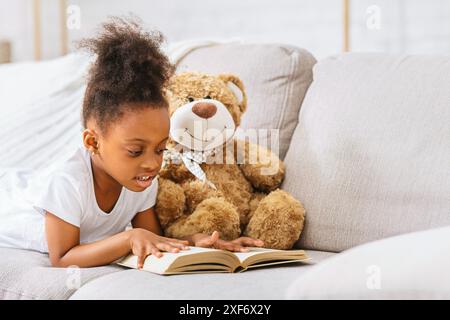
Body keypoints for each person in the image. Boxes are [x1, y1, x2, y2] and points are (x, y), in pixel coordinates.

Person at [0, 17, 263, 270]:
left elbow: (152, 239)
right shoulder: (69, 183)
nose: (152, 163)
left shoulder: (142, 180)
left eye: (161, 148)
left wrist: (196, 243)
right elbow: (63, 257)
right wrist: (128, 238)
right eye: (135, 151)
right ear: (93, 142)